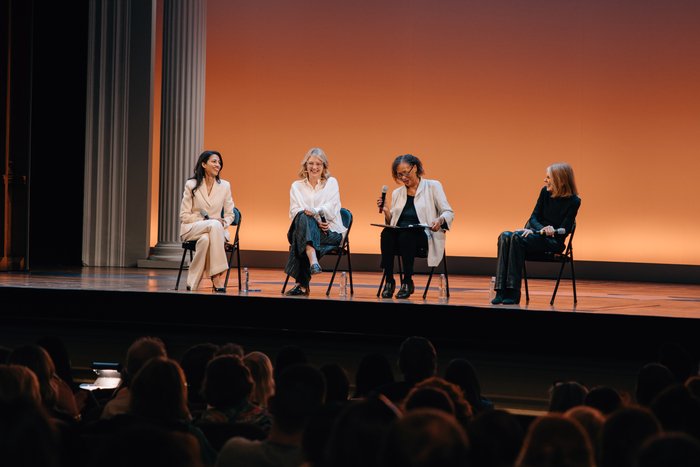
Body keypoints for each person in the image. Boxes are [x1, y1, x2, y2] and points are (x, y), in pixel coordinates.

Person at [492, 162, 580, 305]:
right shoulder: (544, 192)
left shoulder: (574, 201)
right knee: (504, 236)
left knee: (516, 238)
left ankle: (513, 292)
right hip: (538, 235)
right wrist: (539, 230)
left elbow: (565, 230)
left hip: (554, 242)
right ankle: (500, 291)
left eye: (548, 177)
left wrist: (541, 232)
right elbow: (533, 217)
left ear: (561, 180)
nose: (545, 180)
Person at [376, 154, 454, 299]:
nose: (404, 177)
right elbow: (393, 221)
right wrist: (387, 212)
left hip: (424, 235)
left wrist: (440, 220)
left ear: (415, 168)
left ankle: (407, 281)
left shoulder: (433, 186)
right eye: (399, 175)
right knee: (387, 233)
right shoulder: (397, 193)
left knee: (407, 235)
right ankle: (389, 280)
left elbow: (448, 212)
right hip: (400, 236)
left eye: (406, 172)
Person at [284, 148, 346, 296]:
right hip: (307, 229)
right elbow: (294, 212)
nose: (314, 167)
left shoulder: (331, 182)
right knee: (302, 216)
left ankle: (302, 285)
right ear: (305, 165)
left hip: (329, 231)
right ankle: (313, 261)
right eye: (311, 163)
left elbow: (331, 208)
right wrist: (313, 220)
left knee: (300, 237)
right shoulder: (296, 186)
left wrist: (316, 216)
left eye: (319, 163)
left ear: (324, 166)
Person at [180, 150, 235, 291]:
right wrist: (207, 220)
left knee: (205, 240)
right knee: (214, 224)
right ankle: (216, 277)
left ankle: (192, 282)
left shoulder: (225, 186)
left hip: (214, 231)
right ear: (204, 164)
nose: (218, 165)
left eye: (219, 162)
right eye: (214, 161)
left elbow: (230, 214)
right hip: (192, 228)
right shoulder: (191, 185)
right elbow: (184, 215)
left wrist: (224, 222)